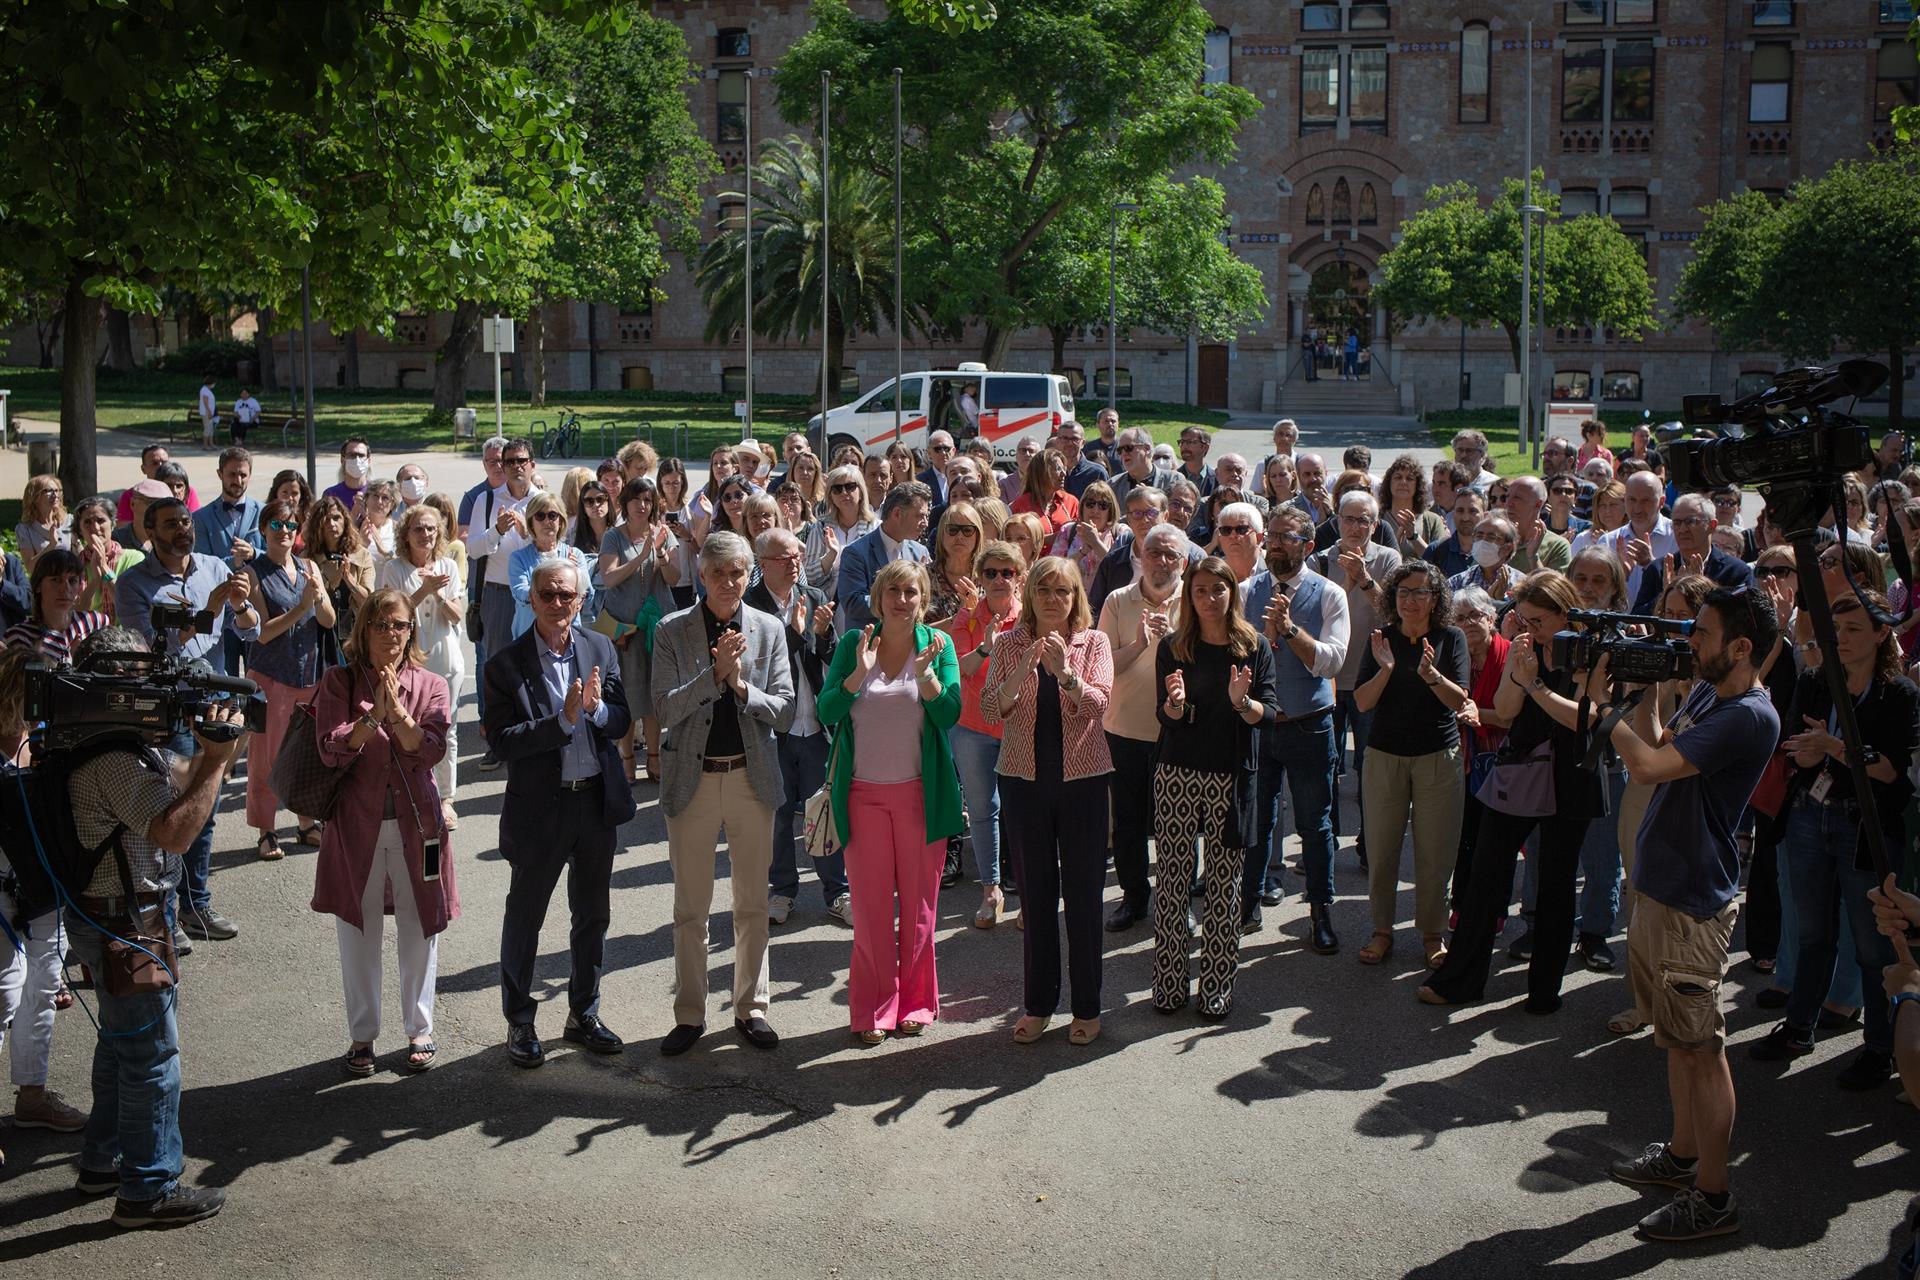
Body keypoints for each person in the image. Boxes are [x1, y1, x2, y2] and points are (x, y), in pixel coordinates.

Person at [1603, 586, 1781, 1242]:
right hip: (1663, 887)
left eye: (1701, 634)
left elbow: (1646, 765)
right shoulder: (1711, 691)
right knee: (1677, 1043)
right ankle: (1682, 1158)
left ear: (1741, 647)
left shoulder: (1749, 716)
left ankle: (1713, 1196)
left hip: (1692, 903)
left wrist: (1604, 705)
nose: (1690, 643)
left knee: (1702, 1051)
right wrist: (1645, 688)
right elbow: (1659, 740)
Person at [61, 625, 237, 1226]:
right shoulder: (113, 758)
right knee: (153, 1060)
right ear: (115, 686)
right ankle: (148, 1188)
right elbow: (174, 830)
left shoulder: (114, 742)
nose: (157, 688)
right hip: (125, 926)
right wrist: (217, 764)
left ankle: (102, 1160)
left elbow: (175, 777)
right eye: (143, 677)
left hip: (119, 920)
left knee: (120, 1046)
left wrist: (213, 749)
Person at [1748, 589, 1916, 1094]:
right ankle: (1800, 1028)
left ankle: (1881, 1049)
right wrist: (1813, 750)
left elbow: (1891, 772)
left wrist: (1835, 747)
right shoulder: (1815, 680)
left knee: (1871, 945)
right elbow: (1797, 755)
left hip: (1864, 827)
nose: (1839, 640)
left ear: (1882, 634)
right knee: (1813, 932)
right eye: (1834, 631)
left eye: (1852, 631)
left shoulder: (1899, 693)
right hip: (1808, 817)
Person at [1420, 570, 1606, 1011]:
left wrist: (1535, 685)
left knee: (1557, 886)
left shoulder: (1592, 651)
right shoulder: (1526, 648)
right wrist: (1520, 676)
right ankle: (1461, 980)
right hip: (1521, 768)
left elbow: (1584, 717)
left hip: (1572, 775)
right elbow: (1503, 711)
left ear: (1565, 613)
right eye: (1521, 620)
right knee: (1485, 873)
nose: (1527, 629)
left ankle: (1545, 992)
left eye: (1537, 620)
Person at [487, 560, 634, 1068]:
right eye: (547, 595)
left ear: (579, 600)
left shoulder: (598, 648)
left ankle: (583, 1014)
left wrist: (592, 712)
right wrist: (562, 720)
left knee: (592, 915)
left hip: (593, 801)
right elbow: (503, 744)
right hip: (540, 809)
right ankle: (520, 1021)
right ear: (531, 599)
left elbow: (620, 719)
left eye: (566, 596)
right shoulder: (505, 664)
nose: (557, 604)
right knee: (526, 917)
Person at [652, 533, 792, 1055]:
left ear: (748, 575)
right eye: (718, 574)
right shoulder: (673, 631)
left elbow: (782, 707)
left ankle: (751, 1008)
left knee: (752, 904)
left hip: (750, 779)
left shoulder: (769, 629)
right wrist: (714, 675)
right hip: (694, 780)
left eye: (738, 573)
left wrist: (740, 688)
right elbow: (664, 709)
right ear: (702, 576)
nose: (729, 583)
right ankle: (690, 1014)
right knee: (692, 908)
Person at [310, 588, 456, 1076]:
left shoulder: (432, 683)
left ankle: (420, 1028)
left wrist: (398, 714)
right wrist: (372, 715)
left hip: (420, 826)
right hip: (357, 825)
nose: (391, 634)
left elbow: (428, 749)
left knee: (421, 923)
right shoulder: (338, 680)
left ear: (411, 630)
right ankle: (362, 1036)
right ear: (363, 629)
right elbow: (331, 748)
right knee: (359, 926)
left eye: (400, 625)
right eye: (380, 624)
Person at [818, 559, 962, 1043]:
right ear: (878, 598)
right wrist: (858, 675)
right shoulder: (852, 645)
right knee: (872, 910)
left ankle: (916, 1003)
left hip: (922, 796)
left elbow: (949, 716)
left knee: (920, 911)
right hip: (862, 797)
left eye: (912, 592)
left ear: (924, 600)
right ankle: (873, 1010)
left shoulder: (938, 647)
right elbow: (827, 709)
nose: (902, 600)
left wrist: (928, 680)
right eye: (893, 590)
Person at [115, 497, 260, 947]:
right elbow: (148, 653)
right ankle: (167, 916)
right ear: (150, 531)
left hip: (214, 703)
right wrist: (209, 612)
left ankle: (197, 904)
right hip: (168, 710)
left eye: (184, 521)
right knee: (172, 813)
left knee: (207, 809)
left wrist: (238, 607)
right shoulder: (134, 585)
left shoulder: (215, 568)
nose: (182, 530)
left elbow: (251, 630)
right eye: (170, 524)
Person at [982, 557, 1113, 1044]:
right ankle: (1039, 1004)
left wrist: (1066, 675)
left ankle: (1087, 1006)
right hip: (1023, 782)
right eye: (1043, 590)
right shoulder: (1011, 642)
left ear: (1076, 596)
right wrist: (1021, 672)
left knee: (1083, 898)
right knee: (1036, 899)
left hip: (1084, 783)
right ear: (1030, 596)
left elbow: (1099, 705)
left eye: (1063, 590)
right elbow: (990, 708)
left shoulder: (1093, 642)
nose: (1053, 599)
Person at [1150, 557, 1275, 1019]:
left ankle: (1217, 988)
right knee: (1173, 883)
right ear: (1189, 595)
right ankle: (1169, 985)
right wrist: (1176, 706)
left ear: (1232, 593)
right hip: (1178, 774)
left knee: (1225, 887)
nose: (1208, 598)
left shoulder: (1254, 646)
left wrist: (1244, 703)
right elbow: (1163, 717)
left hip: (1231, 777)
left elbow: (1272, 713)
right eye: (1200, 590)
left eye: (1217, 590)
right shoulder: (1173, 646)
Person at [1350, 560, 1470, 967]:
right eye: (1402, 592)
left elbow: (1460, 701)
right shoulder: (1381, 639)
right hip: (1385, 755)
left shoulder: (1451, 638)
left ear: (1435, 599)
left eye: (1419, 592)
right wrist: (1386, 669)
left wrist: (1432, 675)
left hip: (1438, 756)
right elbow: (1362, 702)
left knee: (1436, 853)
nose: (1410, 600)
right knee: (1382, 849)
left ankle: (1432, 933)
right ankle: (1382, 930)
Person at [1241, 503, 1349, 946]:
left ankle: (1320, 912)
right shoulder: (1247, 590)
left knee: (1314, 824)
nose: (1274, 543)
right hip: (1259, 725)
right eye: (1272, 535)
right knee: (1254, 820)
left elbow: (1332, 661)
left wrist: (1288, 631)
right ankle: (1248, 904)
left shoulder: (1328, 594)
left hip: (1309, 725)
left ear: (1307, 545)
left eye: (1286, 536)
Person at [747, 527, 851, 928]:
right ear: (763, 564)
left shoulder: (815, 597)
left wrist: (822, 635)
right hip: (775, 728)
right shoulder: (749, 606)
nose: (795, 564)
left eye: (797, 556)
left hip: (815, 723)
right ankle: (783, 891)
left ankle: (837, 891)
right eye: (784, 558)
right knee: (776, 813)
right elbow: (758, 667)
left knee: (823, 808)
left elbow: (833, 655)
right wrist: (792, 631)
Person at [0, 650, 84, 1141]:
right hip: (5, 890)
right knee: (5, 987)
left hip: (44, 885)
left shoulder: (50, 741)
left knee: (46, 980)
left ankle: (32, 1095)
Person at [242, 499, 335, 860]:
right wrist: (301, 608)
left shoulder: (309, 565)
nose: (284, 532)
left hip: (309, 674)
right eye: (277, 525)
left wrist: (318, 598)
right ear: (264, 529)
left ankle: (306, 822)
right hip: (271, 676)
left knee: (305, 754)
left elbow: (327, 621)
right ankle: (266, 831)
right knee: (266, 759)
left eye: (291, 526)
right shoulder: (254, 573)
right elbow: (263, 633)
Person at [1316, 489, 1400, 867]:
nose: (1355, 526)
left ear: (1375, 524)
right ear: (1336, 521)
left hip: (1370, 681)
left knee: (1371, 769)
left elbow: (1394, 618)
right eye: (1348, 518)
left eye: (1363, 519)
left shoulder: (1389, 559)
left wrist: (1364, 579)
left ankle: (1369, 844)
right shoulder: (1320, 560)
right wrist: (1346, 582)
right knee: (1325, 768)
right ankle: (1326, 844)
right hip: (1330, 679)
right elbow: (1318, 614)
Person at [950, 539, 1027, 926]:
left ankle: (1029, 896)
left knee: (1025, 809)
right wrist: (984, 649)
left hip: (1018, 727)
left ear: (1019, 577)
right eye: (991, 572)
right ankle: (991, 891)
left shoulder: (1029, 616)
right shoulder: (967, 618)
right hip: (972, 728)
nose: (999, 579)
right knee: (982, 811)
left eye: (1007, 572)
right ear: (980, 578)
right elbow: (960, 667)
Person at [377, 503, 467, 830]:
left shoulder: (448, 566)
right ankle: (412, 794)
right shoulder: (394, 569)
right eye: (418, 528)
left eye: (431, 528)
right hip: (408, 662)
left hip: (446, 660)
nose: (426, 534)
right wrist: (422, 590)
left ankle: (445, 798)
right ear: (406, 534)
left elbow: (457, 615)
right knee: (405, 727)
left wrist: (439, 595)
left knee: (447, 728)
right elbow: (391, 616)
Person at [597, 477, 681, 783]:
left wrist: (659, 555)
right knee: (629, 694)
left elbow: (674, 578)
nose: (642, 506)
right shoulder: (613, 537)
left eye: (648, 500)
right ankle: (628, 756)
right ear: (625, 504)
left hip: (657, 629)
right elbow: (609, 578)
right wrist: (643, 555)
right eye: (636, 500)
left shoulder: (664, 533)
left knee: (653, 693)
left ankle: (655, 758)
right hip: (625, 631)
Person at [466, 439, 540, 762]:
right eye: (509, 461)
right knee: (497, 669)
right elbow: (473, 549)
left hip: (535, 595)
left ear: (532, 464)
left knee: (536, 667)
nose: (515, 466)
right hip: (497, 593)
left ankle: (534, 736)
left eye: (521, 460)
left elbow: (553, 546)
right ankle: (498, 742)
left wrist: (527, 534)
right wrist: (496, 530)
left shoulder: (542, 501)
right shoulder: (486, 499)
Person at [1629, 493, 1755, 614]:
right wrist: (1667, 594)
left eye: (1691, 522)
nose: (1683, 529)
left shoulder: (1736, 572)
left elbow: (1739, 619)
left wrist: (1700, 591)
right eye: (1677, 523)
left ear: (1712, 525)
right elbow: (1637, 617)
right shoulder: (1658, 569)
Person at [835, 481, 933, 631]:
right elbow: (853, 604)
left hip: (909, 647)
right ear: (897, 514)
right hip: (869, 645)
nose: (925, 523)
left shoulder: (920, 553)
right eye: (920, 516)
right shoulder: (856, 553)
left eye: (926, 516)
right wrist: (896, 601)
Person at [508, 492, 594, 640]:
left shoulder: (576, 555)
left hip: (568, 636)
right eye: (540, 516)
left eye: (552, 515)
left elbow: (588, 595)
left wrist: (575, 575)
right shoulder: (518, 558)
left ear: (561, 521)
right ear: (531, 523)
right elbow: (520, 593)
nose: (547, 521)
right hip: (530, 636)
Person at [305, 495, 375, 669]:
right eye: (325, 519)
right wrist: (333, 582)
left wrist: (349, 581)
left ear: (345, 520)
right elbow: (306, 602)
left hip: (354, 629)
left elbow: (368, 600)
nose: (332, 524)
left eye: (336, 518)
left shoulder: (361, 555)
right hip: (319, 631)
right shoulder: (307, 558)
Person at [4, 549, 110, 662]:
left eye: (72, 581)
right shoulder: (20, 636)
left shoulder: (96, 623)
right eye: (56, 580)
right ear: (38, 585)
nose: (65, 588)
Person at [1600, 472, 1679, 606]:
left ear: (1661, 502)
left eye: (1645, 501)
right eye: (1632, 500)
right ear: (1624, 500)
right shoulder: (1608, 541)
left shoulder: (1677, 537)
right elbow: (1597, 596)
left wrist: (1652, 565)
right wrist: (1619, 577)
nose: (1637, 508)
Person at [805, 464, 878, 608]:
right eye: (837, 489)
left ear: (861, 490)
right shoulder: (820, 527)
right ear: (831, 495)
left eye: (850, 486)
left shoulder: (875, 527)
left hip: (865, 607)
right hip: (828, 608)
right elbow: (809, 576)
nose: (844, 493)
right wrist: (831, 555)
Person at [70, 497, 143, 618]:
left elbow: (128, 605)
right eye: (87, 522)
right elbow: (76, 614)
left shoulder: (134, 558)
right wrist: (95, 581)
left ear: (113, 524)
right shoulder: (73, 565)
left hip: (124, 634)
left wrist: (104, 567)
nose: (95, 528)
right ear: (80, 530)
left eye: (101, 521)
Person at [1378, 455, 1447, 562]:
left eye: (1409, 478)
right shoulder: (1376, 519)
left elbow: (1439, 560)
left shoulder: (1432, 521)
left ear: (1417, 485)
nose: (1403, 482)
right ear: (1389, 483)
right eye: (1398, 477)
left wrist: (1413, 536)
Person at [1049, 480, 1118, 584]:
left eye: (1103, 505)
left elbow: (1118, 569)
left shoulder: (1120, 533)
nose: (1095, 510)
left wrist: (1096, 543)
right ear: (1082, 506)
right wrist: (1082, 552)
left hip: (1107, 599)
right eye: (1090, 504)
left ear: (1111, 510)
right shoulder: (1068, 531)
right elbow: (1052, 569)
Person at [115, 444, 200, 524]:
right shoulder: (131, 496)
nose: (161, 466)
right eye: (155, 463)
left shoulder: (187, 491)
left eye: (165, 462)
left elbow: (196, 525)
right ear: (143, 469)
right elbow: (124, 532)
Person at [1505, 477, 1573, 574]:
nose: (1508, 504)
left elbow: (1553, 588)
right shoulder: (1496, 538)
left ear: (1537, 504)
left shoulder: (1557, 546)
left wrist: (1533, 557)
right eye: (1507, 497)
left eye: (1517, 498)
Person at [1011, 448, 1081, 538]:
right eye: (1058, 469)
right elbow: (1016, 540)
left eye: (1064, 469)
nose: (1064, 474)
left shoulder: (1071, 501)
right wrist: (1056, 537)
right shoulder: (1022, 505)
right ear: (1042, 472)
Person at [1108, 429, 1177, 510]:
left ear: (1147, 448)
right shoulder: (1113, 485)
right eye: (1120, 450)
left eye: (1128, 448)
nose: (1123, 453)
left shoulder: (1173, 481)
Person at [1424, 489, 1485, 581]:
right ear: (1453, 515)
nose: (1465, 517)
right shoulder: (1436, 550)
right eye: (1460, 511)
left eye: (1472, 511)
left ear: (1485, 515)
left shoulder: (1495, 551)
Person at [15, 473, 70, 572]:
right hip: (44, 584)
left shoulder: (69, 521)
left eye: (57, 490)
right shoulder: (24, 529)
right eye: (48, 491)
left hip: (70, 582)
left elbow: (80, 556)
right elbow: (30, 568)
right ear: (34, 497)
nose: (55, 495)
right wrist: (51, 545)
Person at [1570, 480, 1629, 558]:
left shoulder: (1633, 536)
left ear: (1626, 506)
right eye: (1602, 505)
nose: (1607, 511)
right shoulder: (1584, 539)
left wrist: (1607, 543)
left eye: (1613, 505)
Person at [1052, 421, 1108, 499]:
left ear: (1083, 443)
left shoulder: (1097, 473)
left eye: (1075, 439)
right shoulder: (1048, 472)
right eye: (1065, 438)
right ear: (1057, 442)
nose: (1070, 443)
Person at [354, 479, 399, 564]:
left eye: (385, 498)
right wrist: (362, 546)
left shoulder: (397, 529)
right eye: (375, 496)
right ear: (366, 499)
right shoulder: (355, 527)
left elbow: (405, 565)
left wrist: (385, 552)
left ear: (392, 504)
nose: (379, 502)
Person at [323, 437, 374, 512]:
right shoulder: (331, 494)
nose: (357, 460)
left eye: (361, 455)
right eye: (352, 455)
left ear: (369, 461)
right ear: (342, 460)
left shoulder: (377, 494)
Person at [197, 373, 218, 447]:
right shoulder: (204, 390)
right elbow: (205, 402)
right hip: (206, 412)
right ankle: (205, 445)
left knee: (211, 428)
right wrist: (209, 412)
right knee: (207, 428)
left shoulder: (207, 390)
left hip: (209, 412)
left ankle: (211, 443)